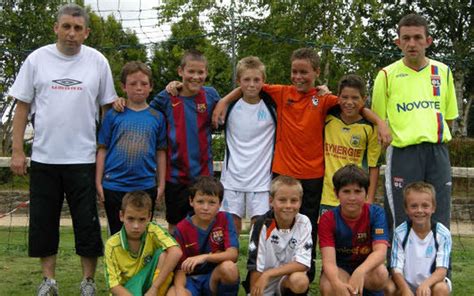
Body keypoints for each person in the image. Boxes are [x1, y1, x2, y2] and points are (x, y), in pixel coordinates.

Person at [212, 48, 390, 282]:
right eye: (294, 71)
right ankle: (262, 274)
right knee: (273, 225)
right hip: (282, 172)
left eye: (304, 72)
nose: (298, 77)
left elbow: (354, 104)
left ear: (316, 72)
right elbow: (249, 85)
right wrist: (224, 100)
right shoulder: (281, 92)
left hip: (313, 176)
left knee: (306, 226)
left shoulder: (324, 99)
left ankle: (303, 275)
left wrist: (380, 122)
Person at [9, 4, 117, 295]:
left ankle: (88, 282)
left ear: (86, 33)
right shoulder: (36, 60)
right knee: (44, 223)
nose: (71, 33)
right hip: (44, 158)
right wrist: (18, 151)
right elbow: (22, 107)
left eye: (78, 28)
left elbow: (108, 110)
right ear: (56, 28)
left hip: (83, 159)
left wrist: (104, 155)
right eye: (66, 26)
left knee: (87, 224)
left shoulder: (98, 62)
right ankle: (49, 281)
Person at [114, 50, 220, 233]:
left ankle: (201, 261)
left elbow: (227, 106)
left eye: (200, 72)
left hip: (203, 175)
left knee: (204, 223)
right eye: (191, 72)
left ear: (206, 73)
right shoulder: (167, 96)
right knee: (175, 225)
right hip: (175, 176)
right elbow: (142, 109)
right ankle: (175, 260)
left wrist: (225, 103)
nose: (195, 77)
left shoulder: (211, 96)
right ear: (180, 71)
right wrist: (122, 100)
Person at [371, 13, 459, 231]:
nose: (412, 44)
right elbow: (378, 120)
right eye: (406, 38)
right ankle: (398, 266)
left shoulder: (443, 72)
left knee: (439, 214)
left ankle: (441, 266)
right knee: (401, 216)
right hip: (403, 153)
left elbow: (448, 118)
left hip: (437, 152)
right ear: (398, 42)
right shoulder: (386, 75)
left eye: (418, 37)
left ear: (428, 41)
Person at [96, 61, 167, 235]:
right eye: (133, 84)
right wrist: (98, 182)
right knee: (117, 235)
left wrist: (161, 184)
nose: (138, 88)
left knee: (142, 234)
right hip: (114, 185)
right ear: (123, 87)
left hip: (144, 185)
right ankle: (116, 263)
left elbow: (160, 152)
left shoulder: (157, 117)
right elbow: (102, 149)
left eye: (144, 84)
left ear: (151, 87)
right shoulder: (114, 114)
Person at [219, 56, 276, 234]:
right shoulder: (228, 106)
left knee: (258, 233)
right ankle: (230, 262)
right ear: (238, 81)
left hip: (261, 182)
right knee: (231, 232)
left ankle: (254, 263)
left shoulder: (272, 105)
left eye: (256, 80)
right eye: (246, 79)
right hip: (232, 179)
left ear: (263, 81)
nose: (251, 84)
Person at [318, 164, 393, 296]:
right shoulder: (327, 218)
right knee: (329, 287)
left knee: (381, 274)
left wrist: (360, 272)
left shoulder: (376, 213)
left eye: (357, 191)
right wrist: (337, 285)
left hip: (366, 269)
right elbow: (328, 262)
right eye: (346, 191)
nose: (352, 198)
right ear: (336, 193)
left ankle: (366, 290)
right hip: (340, 268)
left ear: (366, 192)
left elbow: (381, 253)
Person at [166, 176, 240, 296]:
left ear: (220, 204)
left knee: (229, 268)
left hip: (213, 277)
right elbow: (180, 269)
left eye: (212, 202)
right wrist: (179, 290)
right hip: (190, 280)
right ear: (191, 201)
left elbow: (233, 254)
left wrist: (204, 257)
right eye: (200, 202)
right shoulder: (181, 228)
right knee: (172, 294)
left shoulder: (225, 218)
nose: (205, 208)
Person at [320, 74, 381, 217]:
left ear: (364, 100)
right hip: (328, 195)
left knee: (354, 238)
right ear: (338, 97)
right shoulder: (328, 117)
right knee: (325, 238)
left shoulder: (370, 128)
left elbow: (374, 166)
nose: (349, 102)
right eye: (345, 97)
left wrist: (369, 200)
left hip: (355, 197)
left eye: (355, 98)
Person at [244, 175, 312, 296]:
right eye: (282, 200)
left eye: (294, 200)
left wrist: (269, 273)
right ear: (271, 201)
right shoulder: (261, 225)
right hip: (264, 283)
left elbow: (303, 263)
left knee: (300, 280)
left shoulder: (304, 222)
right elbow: (255, 267)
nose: (288, 206)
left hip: (285, 280)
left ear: (300, 202)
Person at [104, 191, 182, 296]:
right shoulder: (112, 244)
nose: (136, 226)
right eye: (130, 219)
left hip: (151, 290)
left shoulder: (153, 230)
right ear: (121, 216)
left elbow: (176, 252)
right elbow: (113, 285)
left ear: (149, 217)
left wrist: (154, 288)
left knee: (164, 255)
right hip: (127, 291)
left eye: (141, 219)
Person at [391, 182, 452, 296]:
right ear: (406, 209)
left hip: (431, 284)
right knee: (389, 287)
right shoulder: (400, 233)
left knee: (442, 288)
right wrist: (405, 289)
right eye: (414, 206)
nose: (419, 210)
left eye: (425, 205)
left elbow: (441, 270)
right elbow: (396, 269)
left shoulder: (443, 234)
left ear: (433, 208)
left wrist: (425, 285)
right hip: (406, 284)